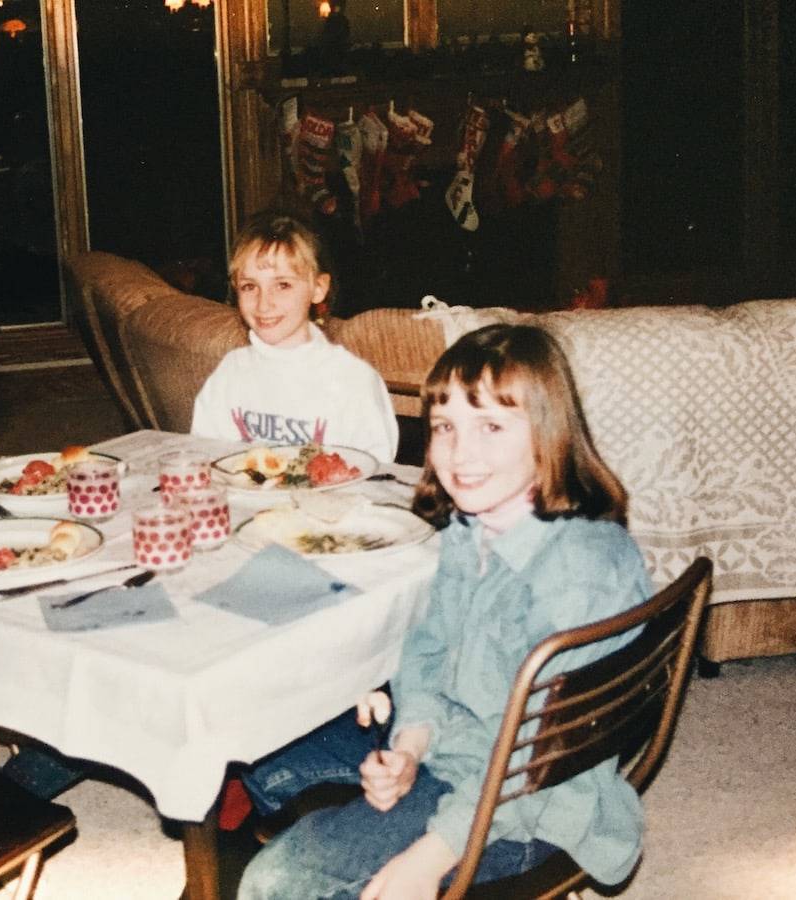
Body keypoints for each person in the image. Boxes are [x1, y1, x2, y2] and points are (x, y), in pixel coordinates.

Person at [238, 324, 652, 900]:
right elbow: (429, 648)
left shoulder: (579, 574)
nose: (461, 454)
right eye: (445, 427)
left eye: (491, 427)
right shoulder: (474, 524)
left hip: (530, 806)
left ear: (548, 434)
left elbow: (537, 760)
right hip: (457, 745)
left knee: (277, 882)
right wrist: (409, 746)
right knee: (255, 739)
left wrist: (432, 854)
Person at [190, 210, 399, 463]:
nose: (264, 304)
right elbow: (205, 456)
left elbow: (374, 471)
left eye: (283, 285)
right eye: (250, 286)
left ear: (318, 289)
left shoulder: (352, 380)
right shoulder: (230, 372)